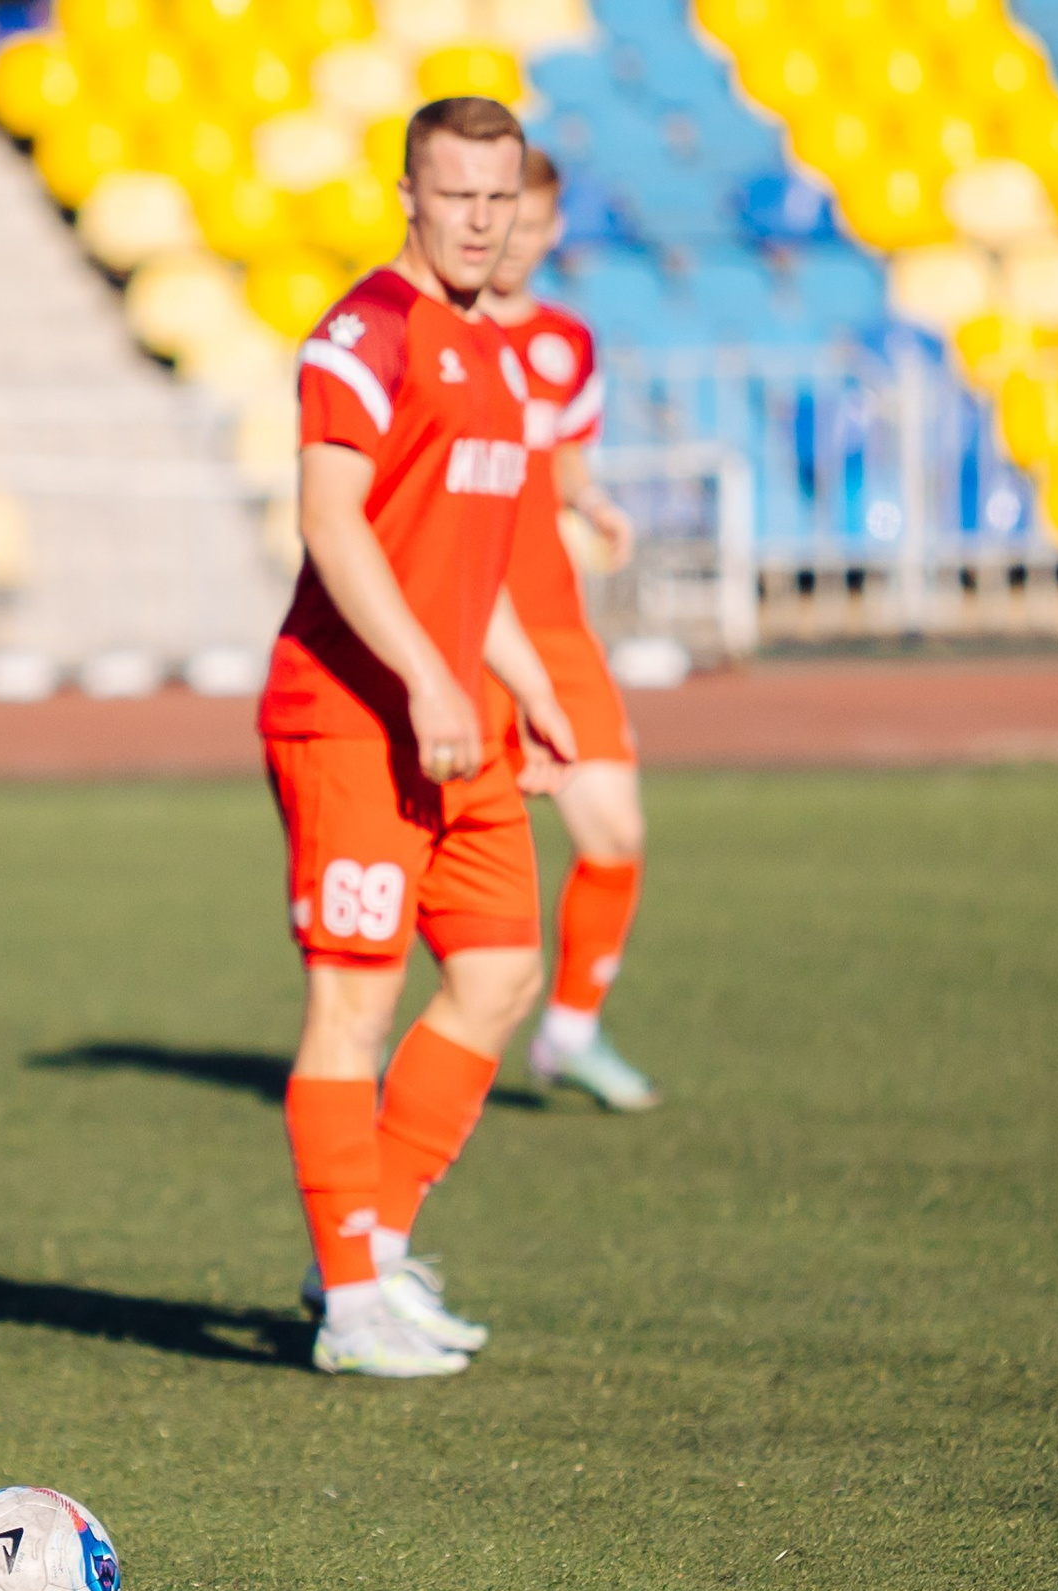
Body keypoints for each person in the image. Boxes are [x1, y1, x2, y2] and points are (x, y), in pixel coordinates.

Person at [263, 98, 578, 1378]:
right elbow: (332, 522)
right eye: (457, 195)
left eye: (499, 198)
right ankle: (350, 1310)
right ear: (407, 196)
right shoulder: (364, 334)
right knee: (354, 1002)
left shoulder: (491, 350)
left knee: (500, 971)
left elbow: (463, 556)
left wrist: (529, 684)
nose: (480, 220)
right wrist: (426, 677)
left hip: (456, 719)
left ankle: (371, 1250)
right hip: (351, 715)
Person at [478, 146, 658, 1112]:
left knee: (615, 832)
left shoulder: (565, 342)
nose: (518, 239)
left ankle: (571, 1032)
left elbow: (564, 457)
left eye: (537, 223)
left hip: (552, 625)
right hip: (462, 631)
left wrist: (591, 503)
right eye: (505, 217)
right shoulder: (432, 332)